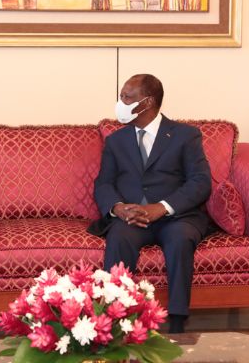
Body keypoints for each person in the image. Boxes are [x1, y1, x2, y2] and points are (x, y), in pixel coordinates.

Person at [90, 74, 212, 333]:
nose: (121, 102)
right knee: (119, 238)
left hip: (175, 216)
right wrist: (118, 208)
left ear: (147, 102)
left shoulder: (185, 136)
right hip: (131, 217)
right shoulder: (116, 141)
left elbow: (200, 182)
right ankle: (115, 321)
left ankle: (178, 321)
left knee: (180, 239)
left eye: (127, 97)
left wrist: (162, 207)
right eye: (121, 96)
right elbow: (103, 184)